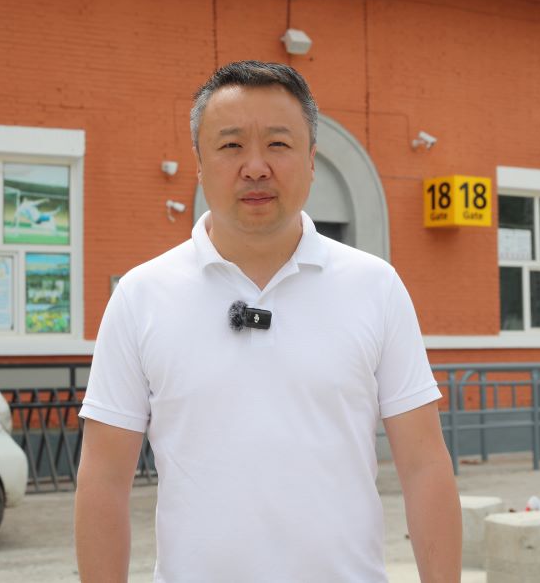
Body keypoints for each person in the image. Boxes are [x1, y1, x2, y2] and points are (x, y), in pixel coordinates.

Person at [75, 61, 461, 582]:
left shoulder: (375, 287)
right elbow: (103, 479)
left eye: (278, 144)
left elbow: (424, 465)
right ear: (199, 163)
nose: (255, 167)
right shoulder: (142, 296)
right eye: (231, 145)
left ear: (311, 160)